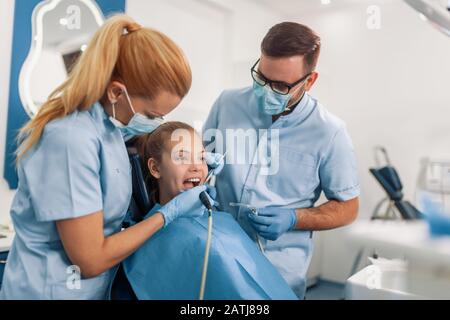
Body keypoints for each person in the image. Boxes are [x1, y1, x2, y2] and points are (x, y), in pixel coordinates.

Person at [0, 14, 215, 300]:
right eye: (152, 115)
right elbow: (89, 261)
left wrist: (195, 160)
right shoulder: (69, 140)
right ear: (116, 92)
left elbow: (149, 148)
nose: (156, 121)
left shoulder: (110, 130)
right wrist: (167, 214)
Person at [203, 22, 360, 298]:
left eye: (279, 86)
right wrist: (199, 175)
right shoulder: (227, 103)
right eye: (260, 78)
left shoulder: (330, 133)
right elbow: (200, 159)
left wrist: (294, 218)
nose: (265, 89)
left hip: (277, 275)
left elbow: (348, 207)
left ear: (309, 81)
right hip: (217, 257)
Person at [112, 122, 297, 300]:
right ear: (155, 168)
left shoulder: (220, 219)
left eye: (201, 157)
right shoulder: (146, 237)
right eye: (182, 157)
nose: (196, 167)